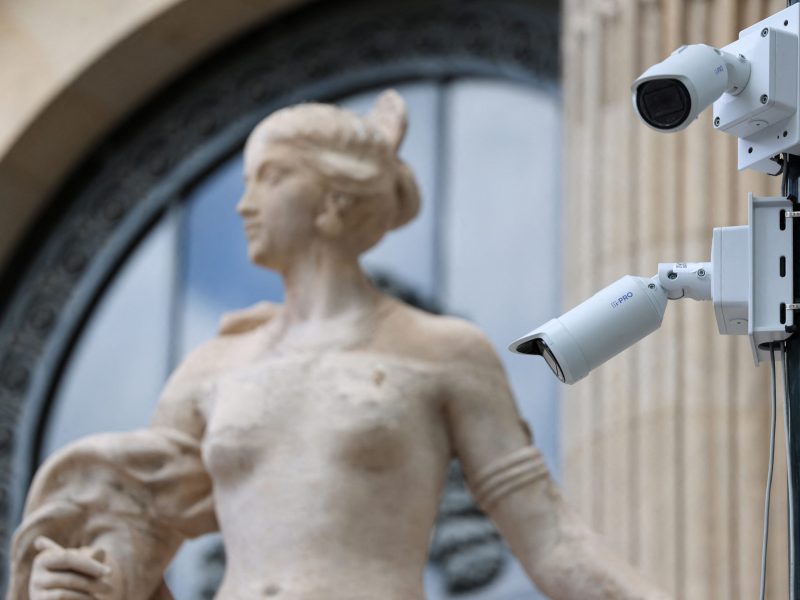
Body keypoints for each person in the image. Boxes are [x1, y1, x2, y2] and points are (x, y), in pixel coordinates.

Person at [9, 90, 670, 600]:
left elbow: (552, 541)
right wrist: (87, 578)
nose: (243, 203)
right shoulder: (213, 368)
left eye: (267, 177)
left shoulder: (443, 350)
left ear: (334, 194)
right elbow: (137, 529)